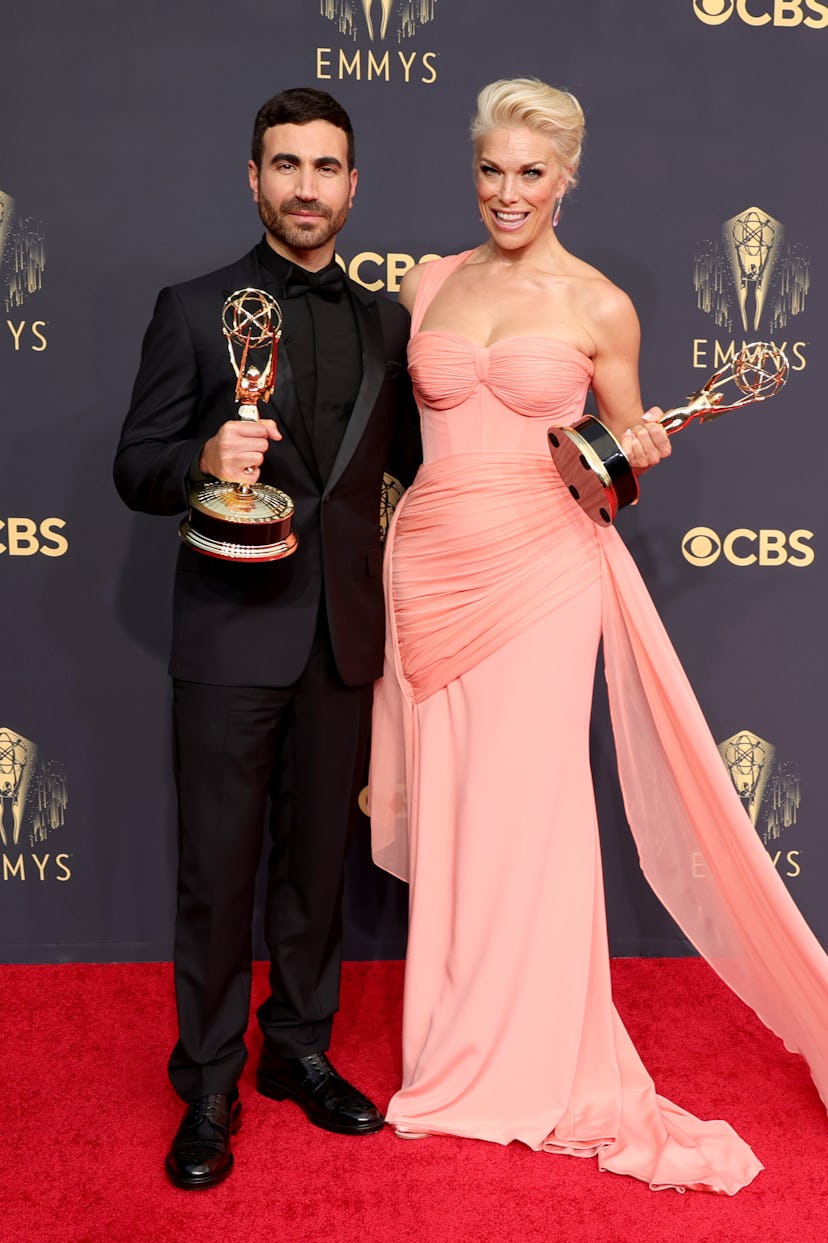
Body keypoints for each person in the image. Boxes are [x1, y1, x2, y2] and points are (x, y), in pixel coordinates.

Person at [369, 78, 828, 1193]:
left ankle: (528, 1059)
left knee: (533, 814)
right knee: (456, 817)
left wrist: (633, 461)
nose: (508, 192)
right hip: (428, 568)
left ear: (567, 178)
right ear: (471, 169)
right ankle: (450, 1051)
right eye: (492, 169)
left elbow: (617, 467)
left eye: (532, 173)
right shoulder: (431, 283)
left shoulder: (600, 305)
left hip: (544, 572)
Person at [114, 86, 419, 1190]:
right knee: (218, 871)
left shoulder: (387, 322)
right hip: (230, 640)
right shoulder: (195, 310)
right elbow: (133, 466)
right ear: (254, 179)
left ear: (353, 184)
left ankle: (298, 1048)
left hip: (342, 640)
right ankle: (206, 1078)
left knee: (315, 867)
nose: (305, 185)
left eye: (325, 166)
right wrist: (203, 456)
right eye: (284, 164)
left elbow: (417, 474)